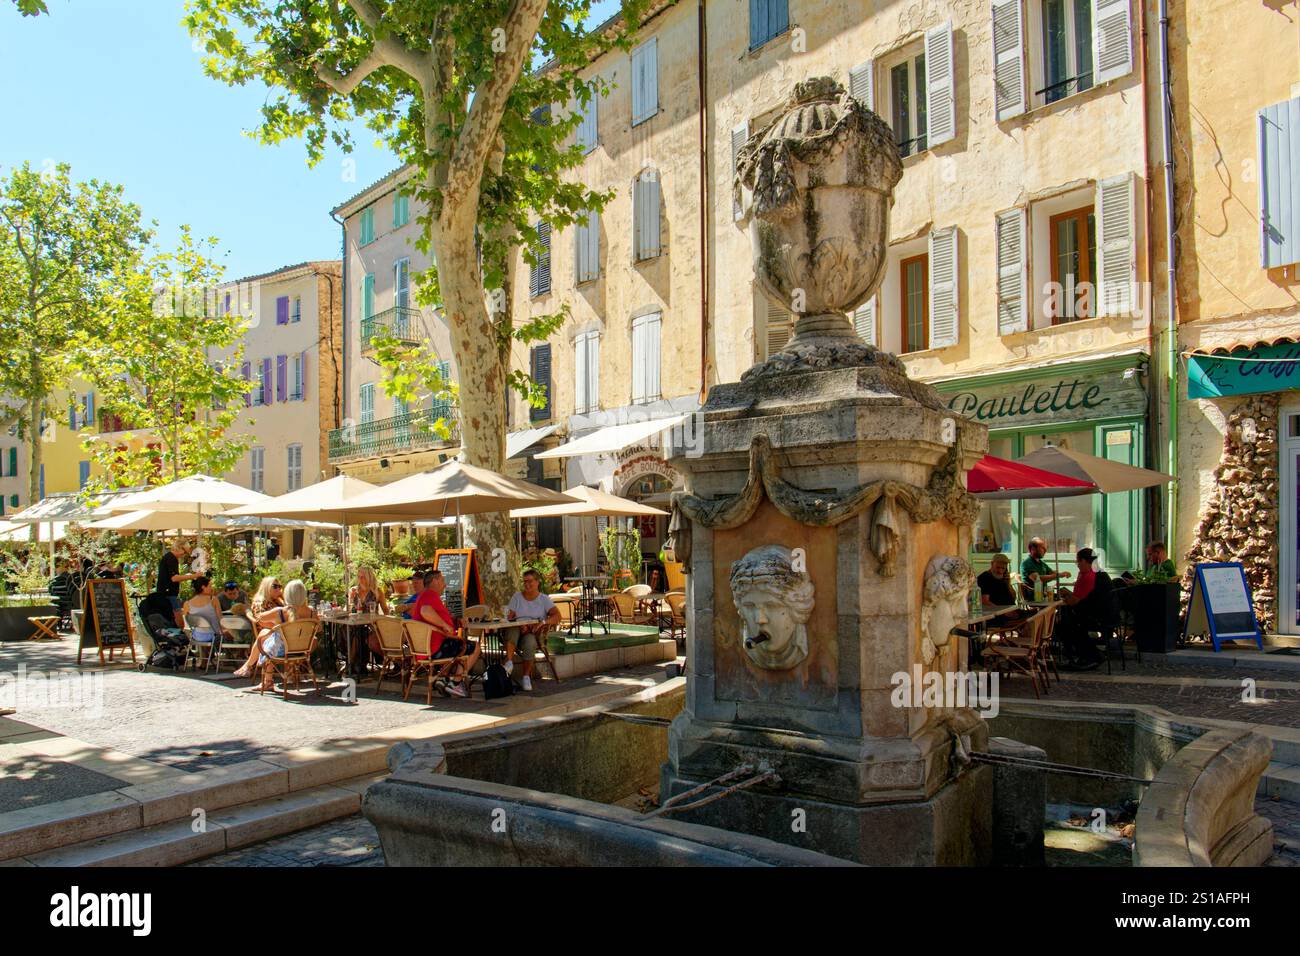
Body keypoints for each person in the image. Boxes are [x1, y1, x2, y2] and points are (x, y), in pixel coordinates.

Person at [410, 569, 478, 698]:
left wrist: (455, 622)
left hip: (426, 648)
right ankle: (455, 683)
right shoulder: (429, 594)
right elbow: (426, 611)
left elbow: (437, 616)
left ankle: (442, 679)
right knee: (475, 647)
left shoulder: (425, 596)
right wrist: (444, 625)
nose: (445, 585)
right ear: (434, 581)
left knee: (458, 645)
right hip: (434, 648)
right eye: (442, 580)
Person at [247, 579, 317, 692]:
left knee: (266, 638)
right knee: (270, 638)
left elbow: (259, 618)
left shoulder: (280, 611)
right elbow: (318, 629)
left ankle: (266, 680)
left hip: (283, 650)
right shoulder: (312, 612)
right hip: (303, 649)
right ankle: (290, 673)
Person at [1056, 548, 1119, 669]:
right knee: (1067, 620)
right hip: (1108, 615)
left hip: (1098, 618)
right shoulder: (1100, 573)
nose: (1077, 565)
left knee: (1065, 624)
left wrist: (1064, 594)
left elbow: (1075, 601)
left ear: (1084, 561)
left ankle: (1088, 656)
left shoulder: (1089, 576)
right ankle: (1088, 654)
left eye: (1078, 562)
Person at [503, 569, 561, 692]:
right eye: (525, 582)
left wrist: (543, 622)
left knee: (529, 642)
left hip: (534, 633)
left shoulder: (543, 599)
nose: (527, 584)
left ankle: (526, 677)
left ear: (537, 582)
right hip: (517, 630)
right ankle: (508, 662)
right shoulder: (517, 597)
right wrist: (515, 621)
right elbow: (510, 616)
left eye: (530, 581)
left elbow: (557, 616)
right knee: (512, 629)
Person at [232, 577, 286, 678]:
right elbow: (263, 623)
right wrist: (283, 626)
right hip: (269, 634)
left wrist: (283, 598)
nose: (278, 589)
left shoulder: (279, 601)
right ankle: (249, 666)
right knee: (264, 632)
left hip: (283, 632)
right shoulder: (260, 603)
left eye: (280, 587)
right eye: (275, 586)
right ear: (266, 587)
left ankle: (248, 665)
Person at [157, 540, 199, 626]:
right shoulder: (171, 558)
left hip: (168, 593)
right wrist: (193, 576)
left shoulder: (170, 557)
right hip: (168, 594)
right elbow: (174, 578)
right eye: (184, 552)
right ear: (179, 547)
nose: (184, 555)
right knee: (179, 623)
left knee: (175, 622)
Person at [976, 554, 1024, 627]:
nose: (1000, 571)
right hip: (997, 615)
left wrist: (1008, 583)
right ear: (992, 564)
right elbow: (985, 601)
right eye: (998, 567)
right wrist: (1004, 612)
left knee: (1037, 615)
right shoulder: (985, 578)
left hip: (1010, 610)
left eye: (1003, 568)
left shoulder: (1002, 577)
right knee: (1030, 621)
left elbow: (1013, 597)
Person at [1020, 537, 1071, 601]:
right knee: (1064, 600)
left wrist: (1064, 573)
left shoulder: (1041, 563)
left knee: (1066, 595)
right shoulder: (1027, 563)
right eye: (1042, 548)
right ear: (1033, 549)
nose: (1045, 550)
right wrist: (1058, 575)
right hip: (1034, 597)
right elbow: (1038, 579)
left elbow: (1052, 573)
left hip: (1044, 595)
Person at [181, 576, 224, 648]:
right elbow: (220, 619)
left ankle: (205, 655)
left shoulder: (187, 604)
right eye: (210, 586)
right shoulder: (213, 600)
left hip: (197, 637)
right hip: (214, 636)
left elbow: (186, 625)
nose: (211, 588)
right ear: (203, 587)